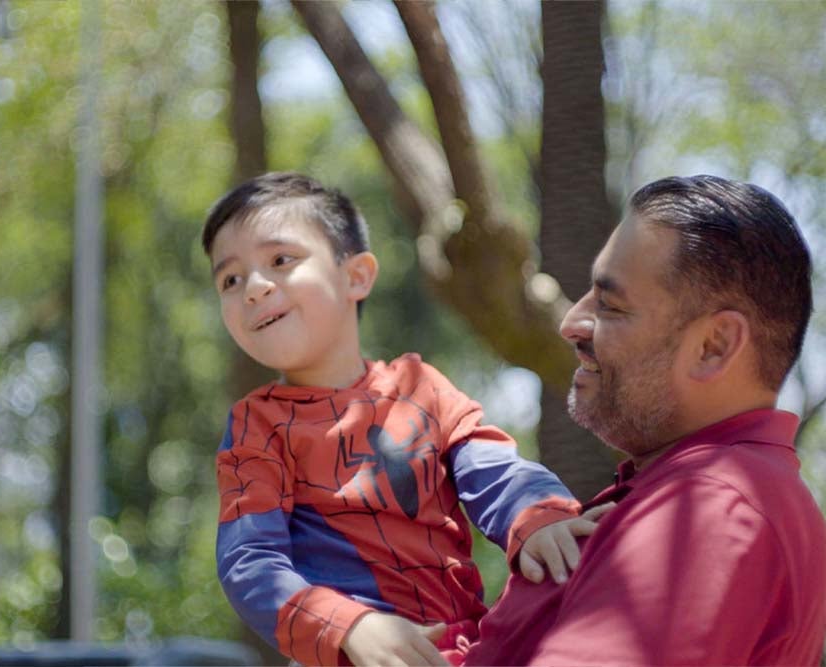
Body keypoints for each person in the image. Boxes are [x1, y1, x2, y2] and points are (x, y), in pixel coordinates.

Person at [202, 172, 606, 667]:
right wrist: (346, 625)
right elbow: (251, 561)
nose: (254, 288)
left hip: (467, 649)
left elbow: (493, 468)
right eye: (230, 279)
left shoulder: (421, 387)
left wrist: (540, 518)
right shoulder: (256, 427)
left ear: (356, 275)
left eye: (280, 260)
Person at [464, 175, 826, 666]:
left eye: (610, 306)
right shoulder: (717, 491)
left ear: (713, 346)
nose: (571, 323)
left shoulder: (711, 506)